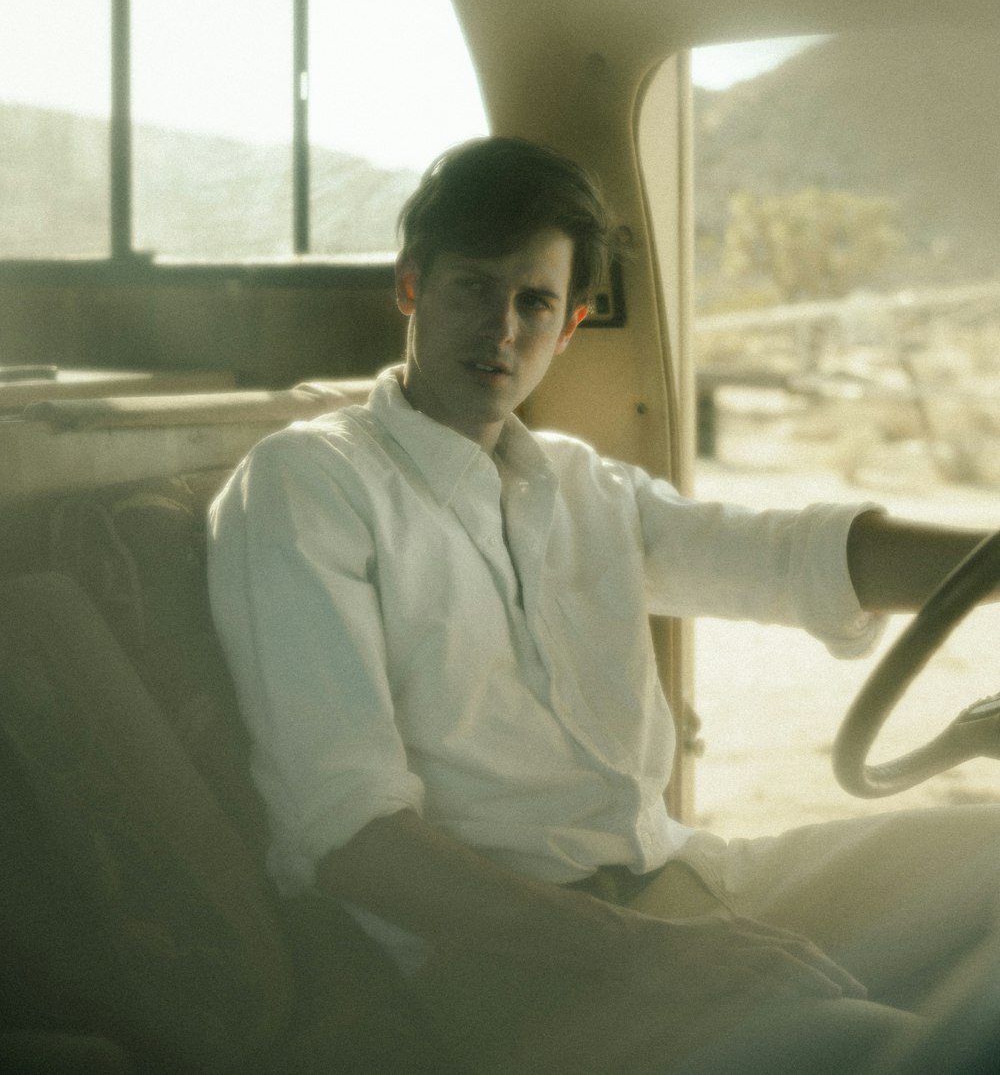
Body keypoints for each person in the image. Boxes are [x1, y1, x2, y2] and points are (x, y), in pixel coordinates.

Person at [207, 137, 1000, 1075]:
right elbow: (352, 841)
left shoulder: (581, 486)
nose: (501, 330)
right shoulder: (311, 484)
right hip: (503, 968)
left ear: (571, 321)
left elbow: (787, 558)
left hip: (684, 882)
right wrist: (662, 961)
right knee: (918, 1055)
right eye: (472, 288)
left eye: (534, 302)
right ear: (411, 286)